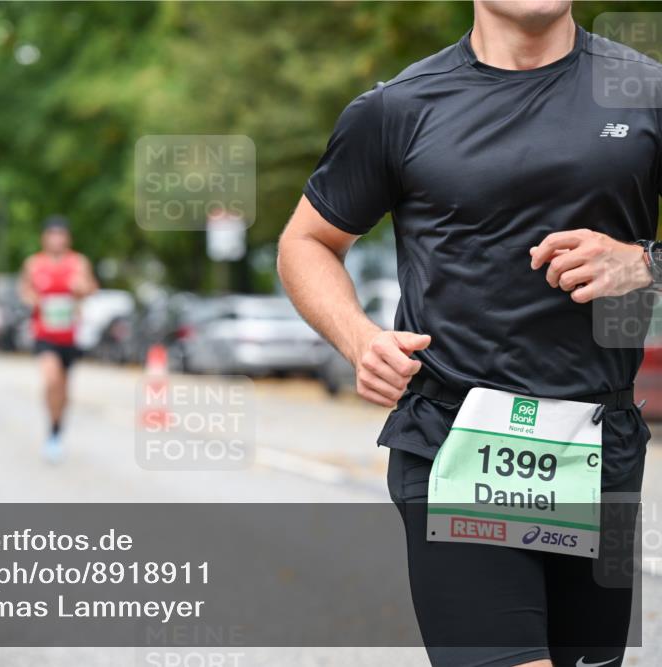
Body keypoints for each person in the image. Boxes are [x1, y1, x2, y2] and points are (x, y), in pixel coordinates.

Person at [278, 2, 659, 666]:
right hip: (456, 439)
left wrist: (644, 262)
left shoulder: (645, 93)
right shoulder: (398, 108)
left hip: (599, 445)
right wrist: (360, 338)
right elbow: (306, 242)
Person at [19, 216, 98, 463]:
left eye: (60, 235)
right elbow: (24, 291)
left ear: (67, 238)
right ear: (44, 238)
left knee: (63, 389)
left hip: (69, 335)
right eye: (52, 235)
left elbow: (92, 288)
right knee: (51, 379)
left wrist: (82, 288)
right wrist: (34, 300)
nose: (56, 239)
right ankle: (51, 429)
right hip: (44, 333)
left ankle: (56, 429)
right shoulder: (34, 263)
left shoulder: (78, 262)